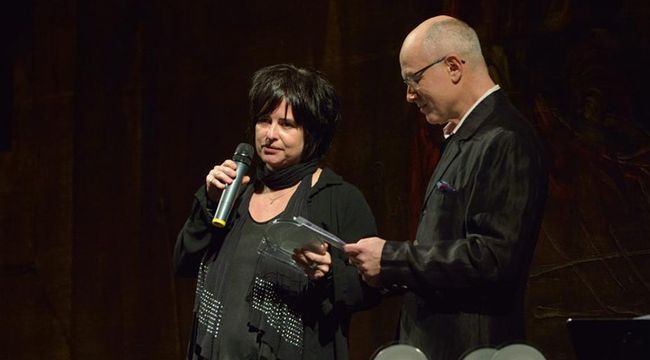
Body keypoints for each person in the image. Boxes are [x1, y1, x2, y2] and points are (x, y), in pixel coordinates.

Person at [344, 16, 548, 360]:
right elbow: (446, 253)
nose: (409, 95)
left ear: (453, 66)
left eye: (414, 79)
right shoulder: (466, 138)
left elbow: (493, 259)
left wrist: (393, 259)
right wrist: (381, 270)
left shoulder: (505, 138)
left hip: (472, 350)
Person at [174, 64, 379, 360]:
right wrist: (209, 202)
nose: (270, 135)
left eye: (286, 124)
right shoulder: (235, 192)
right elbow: (183, 261)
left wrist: (329, 274)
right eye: (263, 120)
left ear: (313, 133)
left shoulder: (339, 199)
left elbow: (369, 288)